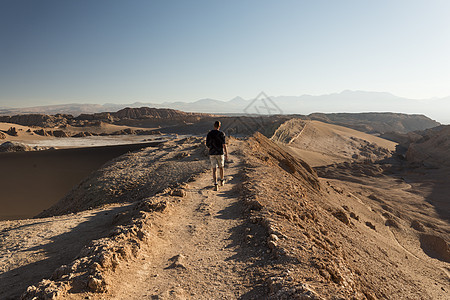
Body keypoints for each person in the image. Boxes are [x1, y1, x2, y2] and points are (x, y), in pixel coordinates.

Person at [206, 121, 228, 191]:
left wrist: (210, 150)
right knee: (221, 167)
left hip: (212, 153)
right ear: (219, 126)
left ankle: (216, 184)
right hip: (220, 153)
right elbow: (224, 144)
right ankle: (222, 181)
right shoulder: (221, 134)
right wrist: (226, 153)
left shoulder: (209, 134)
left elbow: (207, 144)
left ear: (214, 125)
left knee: (214, 169)